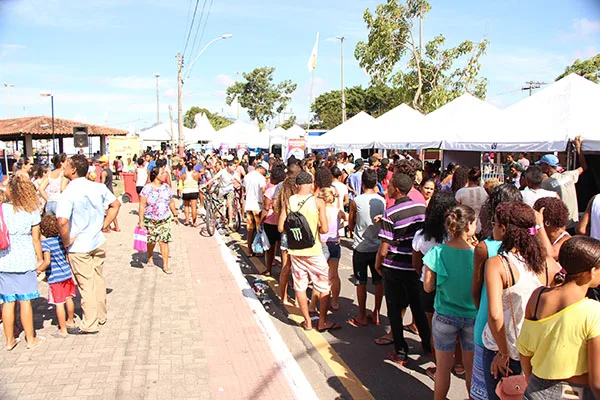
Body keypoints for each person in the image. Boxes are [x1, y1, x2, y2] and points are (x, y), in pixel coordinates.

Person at [481, 201, 561, 399]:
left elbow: (495, 315)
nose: (493, 227)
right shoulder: (548, 264)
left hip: (504, 350)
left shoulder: (498, 264)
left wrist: (503, 353)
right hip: (536, 353)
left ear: (505, 228)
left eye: (495, 223)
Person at [518, 236, 600, 400]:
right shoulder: (593, 312)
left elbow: (524, 350)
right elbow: (597, 382)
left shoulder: (538, 296)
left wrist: (531, 380)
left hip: (536, 389)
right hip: (576, 393)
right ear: (591, 272)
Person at [56, 154, 121, 334]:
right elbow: (115, 205)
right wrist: (104, 224)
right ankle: (101, 315)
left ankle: (90, 323)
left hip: (79, 245)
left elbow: (62, 222)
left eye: (66, 165)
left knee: (86, 284)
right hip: (97, 240)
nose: (63, 168)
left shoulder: (68, 192)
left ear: (74, 170)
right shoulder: (98, 187)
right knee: (97, 278)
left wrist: (66, 240)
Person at [470, 184, 522, 400]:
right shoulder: (531, 250)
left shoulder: (485, 248)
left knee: (488, 391)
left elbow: (476, 290)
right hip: (519, 331)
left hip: (488, 326)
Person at [376, 173, 431, 365]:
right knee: (418, 307)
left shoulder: (390, 213)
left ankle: (400, 351)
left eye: (390, 185)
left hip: (395, 266)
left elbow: (384, 248)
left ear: (396, 190)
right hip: (416, 266)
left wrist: (378, 264)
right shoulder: (421, 207)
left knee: (394, 308)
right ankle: (427, 345)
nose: (387, 188)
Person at [424, 205, 478, 400]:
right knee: (471, 370)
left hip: (445, 315)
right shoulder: (478, 254)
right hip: (472, 316)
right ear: (469, 226)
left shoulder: (437, 252)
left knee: (443, 368)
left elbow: (428, 287)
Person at [277, 171, 339, 332]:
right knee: (323, 286)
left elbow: (281, 227)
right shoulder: (318, 202)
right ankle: (322, 321)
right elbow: (325, 229)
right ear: (311, 184)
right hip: (314, 251)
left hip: (296, 252)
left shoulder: (288, 201)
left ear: (297, 185)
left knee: (300, 285)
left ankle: (307, 322)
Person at [412, 191, 457, 379]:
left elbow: (416, 264)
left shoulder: (421, 235)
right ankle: (459, 364)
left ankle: (439, 367)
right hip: (452, 287)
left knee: (434, 330)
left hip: (428, 286)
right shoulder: (456, 235)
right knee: (459, 329)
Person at [0, 176, 43, 350]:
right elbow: (36, 239)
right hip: (25, 259)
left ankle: (9, 340)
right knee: (25, 301)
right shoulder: (32, 211)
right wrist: (39, 258)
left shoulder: (2, 209)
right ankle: (30, 339)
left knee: (8, 301)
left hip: (4, 259)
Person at [347, 169, 386, 328]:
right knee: (378, 281)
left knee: (361, 282)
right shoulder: (382, 201)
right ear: (376, 183)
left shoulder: (357, 200)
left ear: (362, 183)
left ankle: (362, 315)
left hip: (361, 247)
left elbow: (351, 223)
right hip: (378, 247)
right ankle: (376, 312)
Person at [36, 214, 76, 338]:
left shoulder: (46, 244)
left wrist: (38, 270)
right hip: (67, 273)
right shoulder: (60, 239)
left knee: (59, 303)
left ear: (42, 230)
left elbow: (47, 261)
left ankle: (63, 329)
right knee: (69, 298)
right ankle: (71, 321)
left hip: (55, 277)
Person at [539, 136, 587, 230]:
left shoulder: (546, 183)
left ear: (546, 166)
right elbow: (584, 166)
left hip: (561, 226)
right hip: (574, 223)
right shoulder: (569, 175)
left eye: (541, 165)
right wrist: (578, 147)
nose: (540, 168)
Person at [139, 167, 179, 274]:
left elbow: (171, 202)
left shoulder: (166, 187)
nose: (165, 174)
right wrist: (141, 221)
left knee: (164, 241)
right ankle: (150, 256)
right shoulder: (147, 189)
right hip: (150, 219)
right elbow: (142, 205)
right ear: (156, 175)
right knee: (151, 241)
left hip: (164, 219)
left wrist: (175, 214)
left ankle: (165, 265)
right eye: (163, 173)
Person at [274, 164, 301, 305]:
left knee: (285, 267)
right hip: (298, 235)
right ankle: (298, 299)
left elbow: (279, 220)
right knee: (298, 269)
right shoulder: (298, 197)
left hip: (285, 233)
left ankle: (283, 296)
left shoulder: (281, 192)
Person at [315, 187, 346, 311]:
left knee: (319, 276)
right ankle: (335, 301)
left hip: (322, 244)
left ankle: (314, 303)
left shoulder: (320, 211)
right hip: (334, 244)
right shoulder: (338, 211)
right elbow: (348, 217)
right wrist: (340, 226)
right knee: (334, 275)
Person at [260, 165, 285, 276]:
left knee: (269, 249)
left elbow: (265, 208)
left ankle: (269, 269)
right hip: (282, 222)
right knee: (284, 250)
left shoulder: (269, 191)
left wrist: (260, 222)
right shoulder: (285, 190)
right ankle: (284, 273)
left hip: (270, 222)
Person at [204, 160, 241, 229]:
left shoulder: (234, 173)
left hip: (230, 190)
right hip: (222, 190)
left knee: (229, 204)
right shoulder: (222, 171)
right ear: (229, 166)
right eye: (234, 166)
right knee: (219, 205)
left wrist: (241, 184)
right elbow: (213, 178)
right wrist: (205, 184)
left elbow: (239, 180)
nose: (235, 168)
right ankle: (215, 219)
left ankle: (230, 221)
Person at [244, 161, 268, 256]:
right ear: (262, 168)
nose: (265, 173)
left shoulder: (247, 176)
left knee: (250, 229)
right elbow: (263, 191)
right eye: (265, 171)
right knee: (259, 229)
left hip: (248, 205)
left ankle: (249, 250)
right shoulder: (261, 178)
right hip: (257, 206)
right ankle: (258, 251)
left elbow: (243, 189)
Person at [455, 167, 488, 234]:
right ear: (479, 179)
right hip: (481, 227)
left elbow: (457, 210)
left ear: (467, 178)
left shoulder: (460, 192)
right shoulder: (484, 192)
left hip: (465, 226)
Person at [181, 162, 200, 227]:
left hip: (186, 191)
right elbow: (199, 179)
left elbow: (182, 181)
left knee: (186, 206)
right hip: (194, 191)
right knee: (193, 207)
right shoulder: (196, 174)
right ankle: (194, 222)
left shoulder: (183, 175)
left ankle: (186, 220)